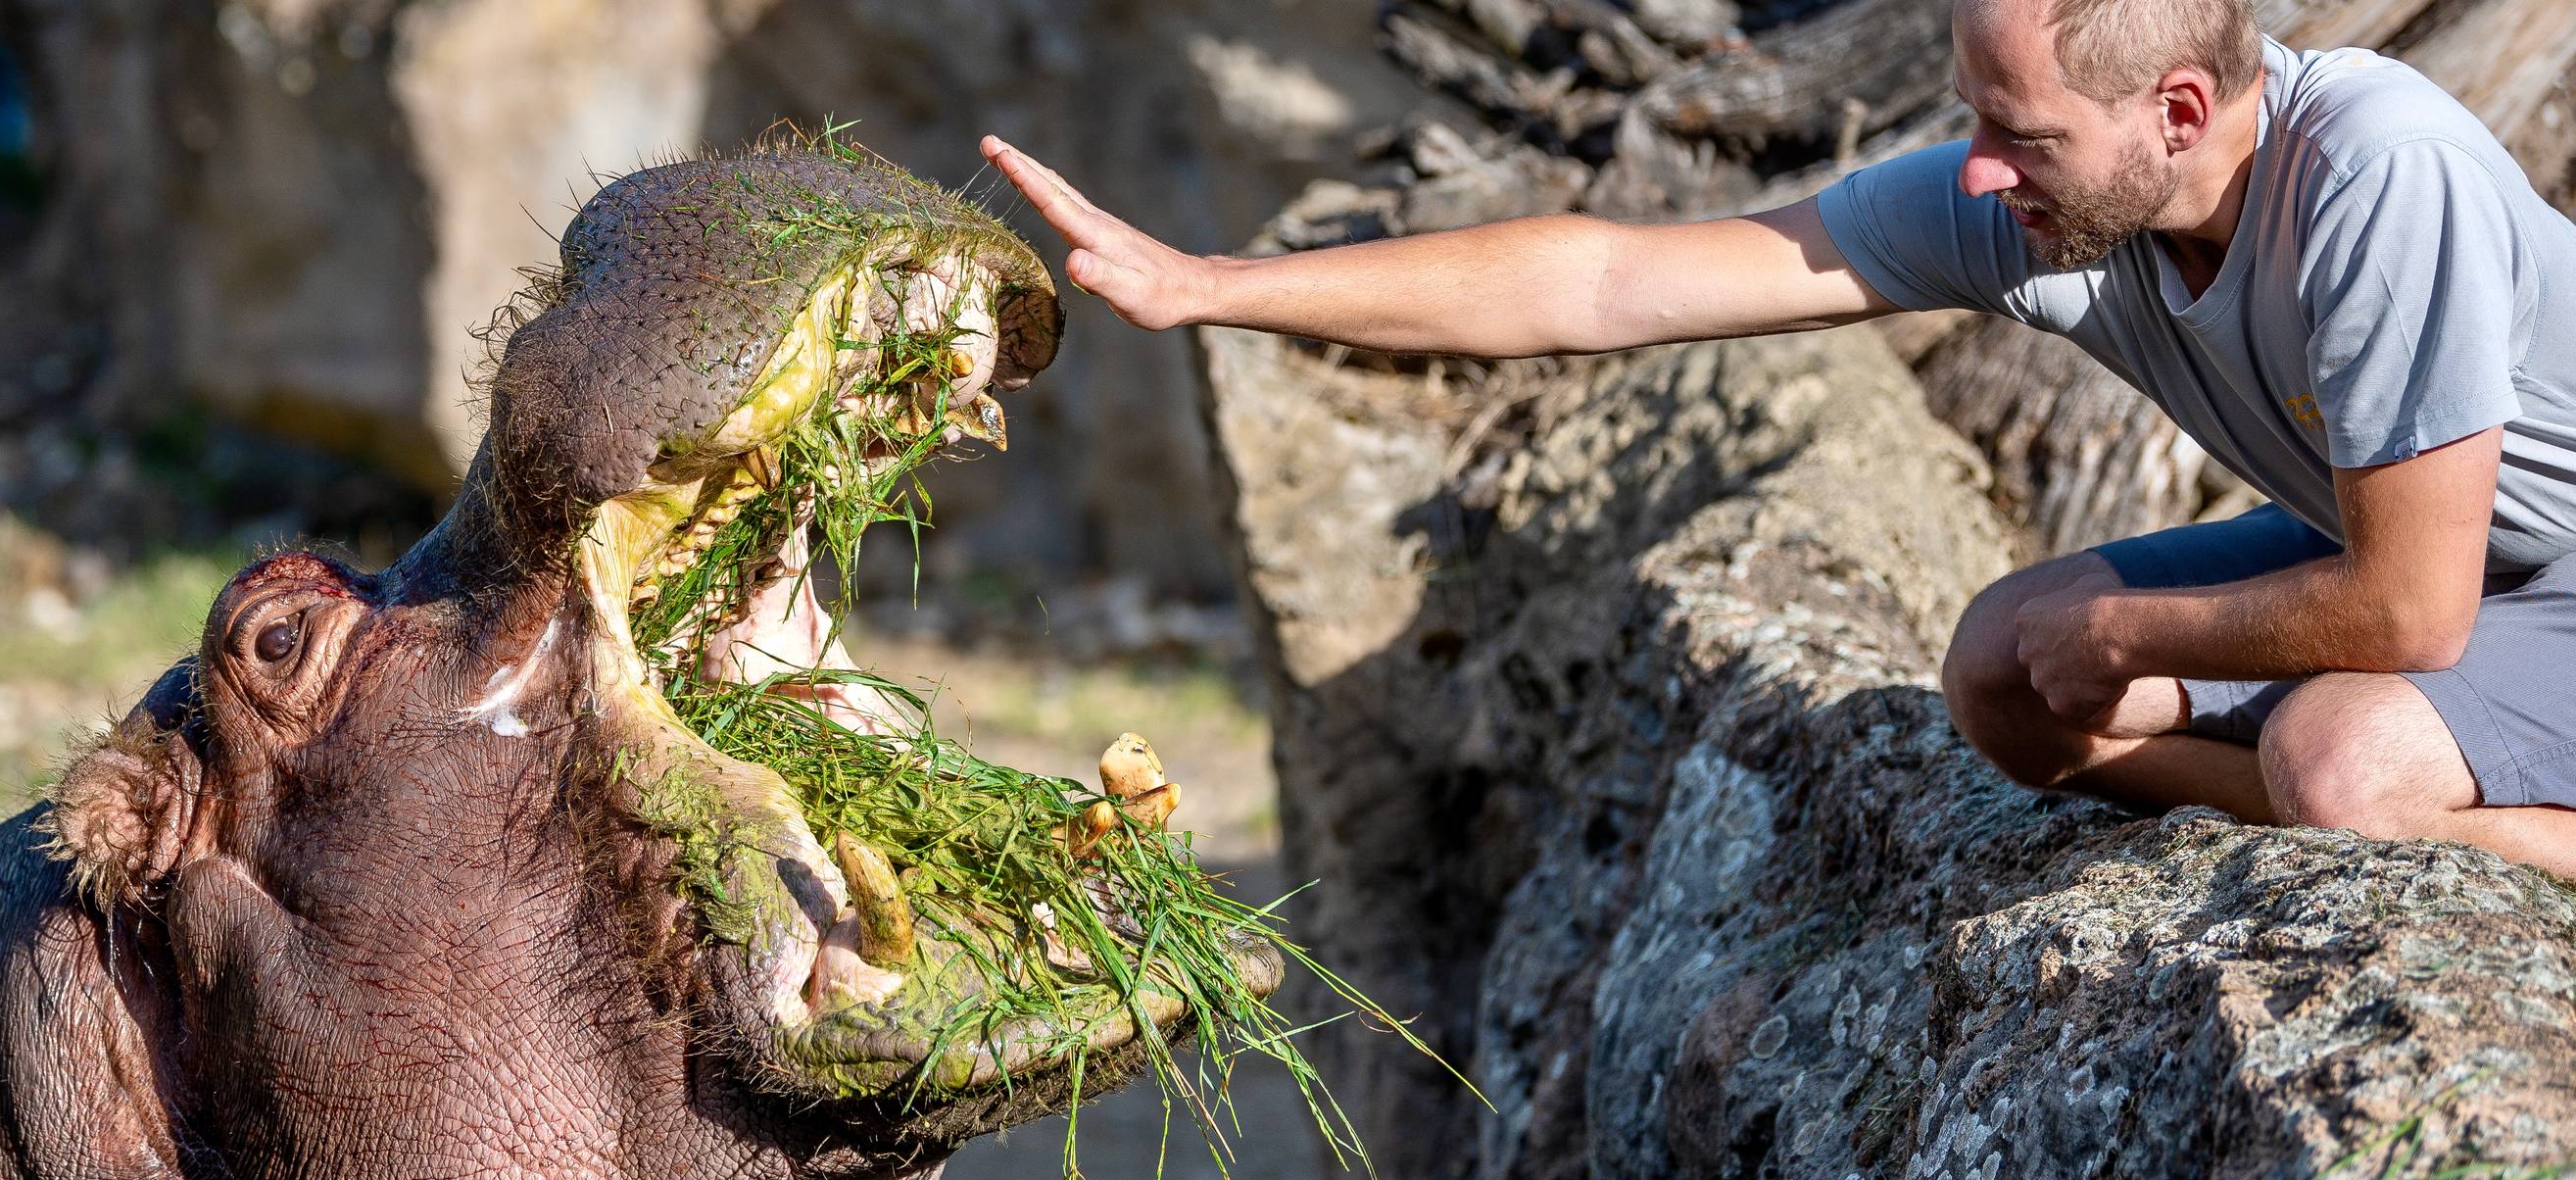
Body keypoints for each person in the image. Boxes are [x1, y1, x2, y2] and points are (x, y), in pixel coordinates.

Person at [979, 0, 2576, 876]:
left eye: (2015, 134)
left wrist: (2133, 627)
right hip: (2446, 557)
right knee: (2002, 681)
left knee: (2340, 761)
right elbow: (1609, 277)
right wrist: (1213, 286)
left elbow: (2408, 613)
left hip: (2510, 580)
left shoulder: (2378, 176)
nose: (1972, 172)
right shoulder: (2051, 197)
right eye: (1972, 118)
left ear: (2174, 111)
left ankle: (2402, 816)